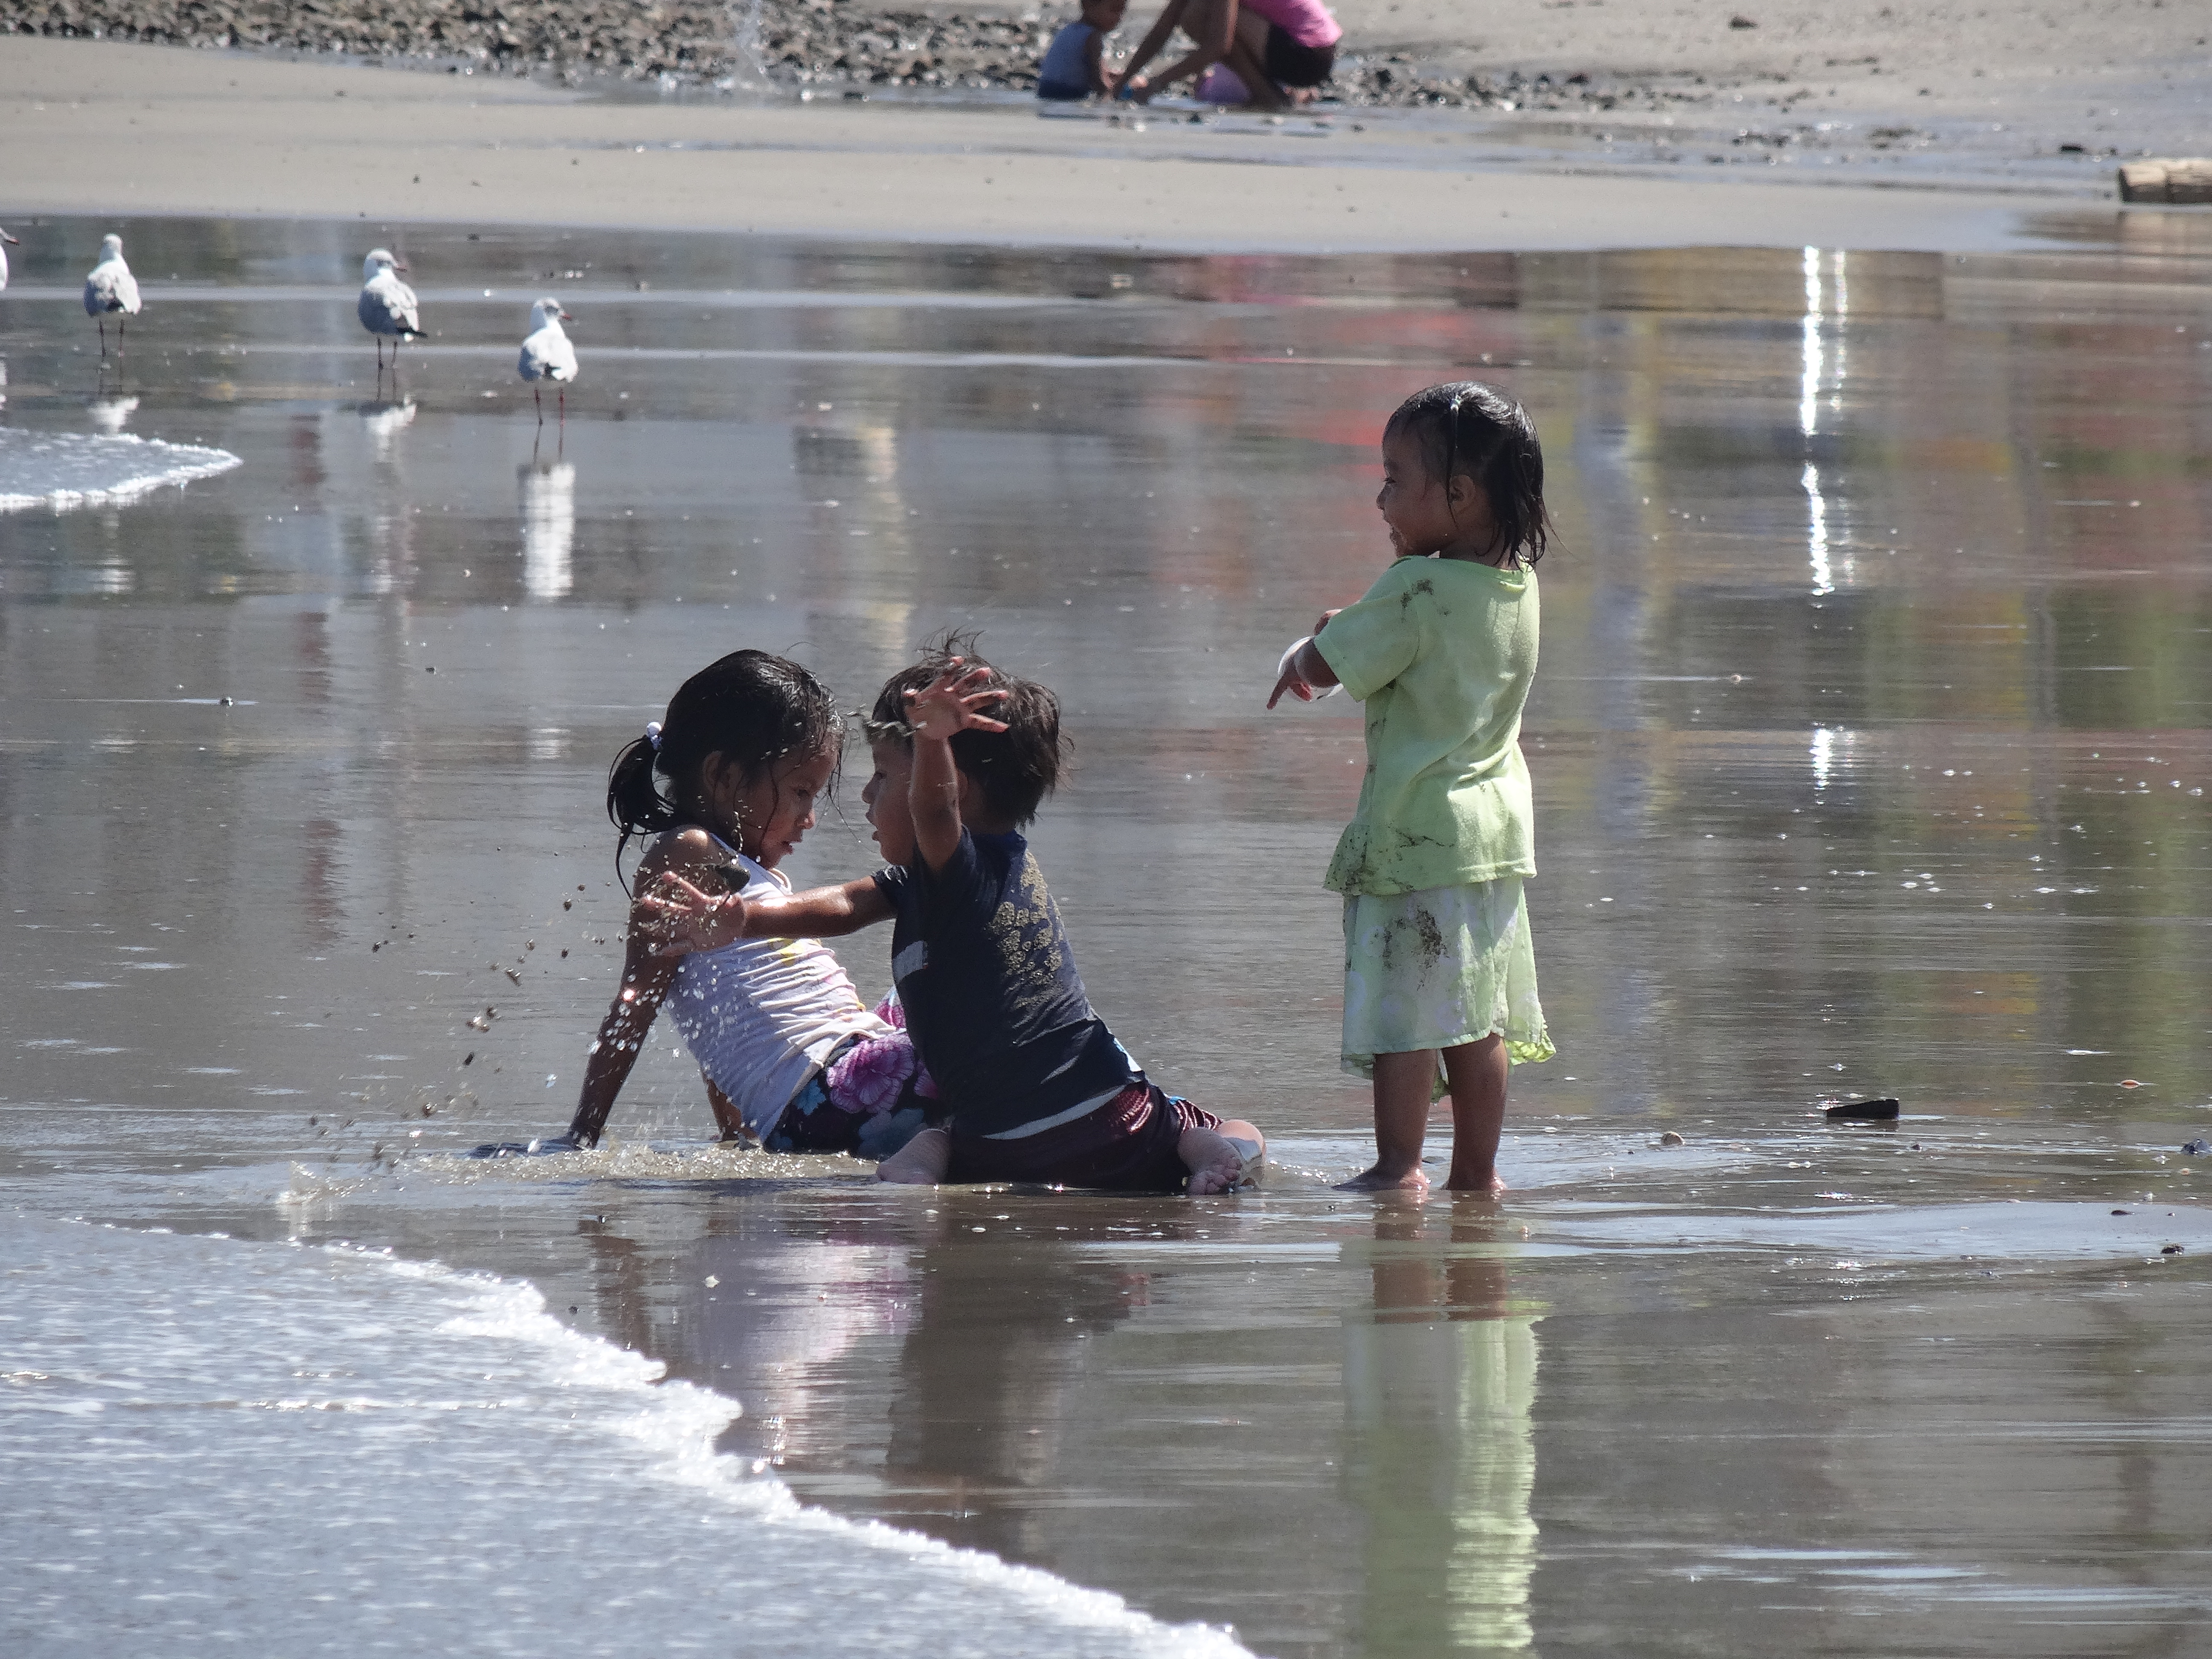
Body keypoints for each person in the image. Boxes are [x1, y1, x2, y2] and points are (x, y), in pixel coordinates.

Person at [641, 642, 1263, 1195]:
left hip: (1002, 1139)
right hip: (1109, 1116)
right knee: (1232, 1126)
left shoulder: (957, 864)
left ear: (948, 790)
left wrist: (932, 741)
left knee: (937, 1143)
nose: (864, 797)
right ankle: (1206, 1143)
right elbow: (846, 907)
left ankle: (915, 1174)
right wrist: (744, 919)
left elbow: (926, 823)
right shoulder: (954, 877)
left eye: (883, 777)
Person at [1268, 383, 1556, 1194]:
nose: (1380, 496)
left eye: (1395, 478)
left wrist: (1301, 653)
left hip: (1414, 834)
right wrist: (1360, 615)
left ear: (1457, 496)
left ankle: (1398, 1166)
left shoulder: (1412, 591)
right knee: (1476, 1012)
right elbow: (1416, 639)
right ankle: (1477, 1172)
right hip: (1493, 836)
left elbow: (1326, 665)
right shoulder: (1516, 585)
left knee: (1406, 1010)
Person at [478, 649, 930, 1159]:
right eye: (801, 792)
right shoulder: (690, 853)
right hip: (838, 1094)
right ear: (723, 777)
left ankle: (934, 1145)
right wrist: (583, 1134)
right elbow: (634, 1006)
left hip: (820, 1107)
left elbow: (720, 1021)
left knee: (906, 1004)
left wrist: (738, 1138)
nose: (809, 818)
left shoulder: (750, 874)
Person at [1117, 0, 1340, 110]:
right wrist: (1124, 80)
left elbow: (1219, 45)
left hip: (1309, 54)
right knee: (1194, 12)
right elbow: (1161, 31)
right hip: (1308, 50)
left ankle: (1267, 95)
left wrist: (1156, 85)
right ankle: (1272, 94)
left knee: (1198, 16)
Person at [1036, 0, 1130, 101]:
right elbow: (1097, 80)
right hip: (1069, 93)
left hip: (1045, 89)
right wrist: (1114, 95)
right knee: (1127, 94)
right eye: (1115, 10)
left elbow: (1081, 67)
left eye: (1122, 12)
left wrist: (1115, 76)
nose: (1119, 18)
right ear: (1087, 5)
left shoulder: (1069, 29)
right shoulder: (1093, 37)